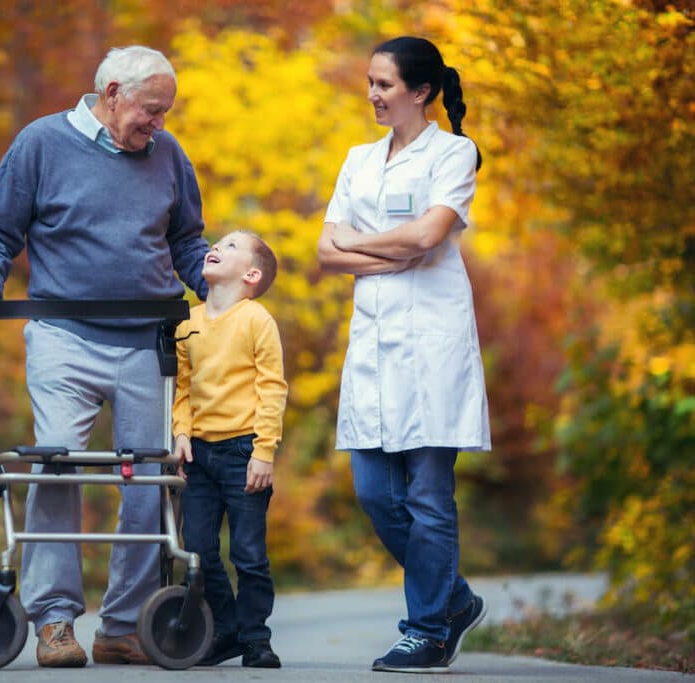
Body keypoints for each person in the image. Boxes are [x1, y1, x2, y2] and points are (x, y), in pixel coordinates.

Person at [0, 45, 210, 668]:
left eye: (165, 112)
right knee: (56, 466)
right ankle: (55, 621)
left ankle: (123, 625)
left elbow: (188, 242)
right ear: (114, 92)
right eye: (151, 109)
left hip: (149, 339)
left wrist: (226, 294)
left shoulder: (169, 154)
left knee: (149, 480)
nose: (158, 122)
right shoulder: (41, 144)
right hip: (63, 334)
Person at [316, 36, 490, 673]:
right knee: (373, 493)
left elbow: (429, 236)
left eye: (384, 85)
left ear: (421, 92)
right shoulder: (358, 160)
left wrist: (368, 243)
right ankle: (456, 599)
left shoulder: (455, 154)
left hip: (433, 341)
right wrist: (397, 248)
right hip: (373, 344)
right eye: (369, 82)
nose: (372, 94)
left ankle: (426, 629)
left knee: (427, 496)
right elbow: (326, 253)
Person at [171, 230, 288, 669]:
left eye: (232, 246)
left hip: (244, 452)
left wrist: (264, 451)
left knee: (249, 554)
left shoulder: (256, 319)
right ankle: (227, 629)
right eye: (216, 243)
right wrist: (181, 433)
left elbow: (272, 387)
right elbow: (183, 387)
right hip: (199, 454)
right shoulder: (189, 323)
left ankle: (256, 637)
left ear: (251, 274)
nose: (216, 247)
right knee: (198, 549)